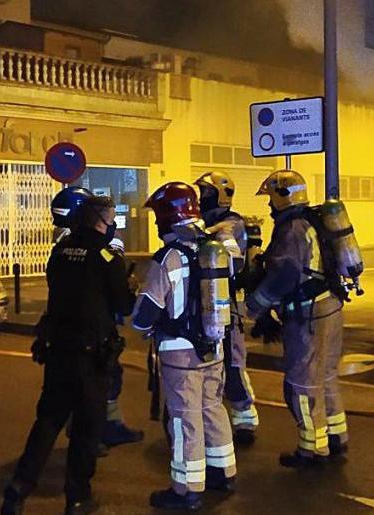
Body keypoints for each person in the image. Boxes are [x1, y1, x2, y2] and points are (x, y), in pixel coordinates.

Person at [2, 195, 134, 515]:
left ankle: (18, 489)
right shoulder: (106, 256)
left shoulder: (61, 250)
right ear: (99, 221)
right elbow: (124, 306)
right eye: (111, 218)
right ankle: (78, 497)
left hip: (58, 349)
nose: (113, 224)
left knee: (47, 422)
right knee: (88, 430)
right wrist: (127, 285)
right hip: (91, 356)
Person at [133, 182, 236, 510]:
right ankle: (223, 471)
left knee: (184, 418)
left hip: (180, 354)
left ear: (166, 217)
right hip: (214, 346)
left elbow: (144, 314)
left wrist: (141, 324)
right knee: (212, 408)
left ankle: (186, 490)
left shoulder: (169, 258)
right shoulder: (214, 248)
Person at [243, 170, 349, 468]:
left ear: (282, 195)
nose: (269, 206)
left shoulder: (291, 229)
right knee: (326, 376)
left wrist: (255, 304)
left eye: (271, 198)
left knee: (301, 384)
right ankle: (336, 437)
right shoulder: (313, 220)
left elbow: (286, 274)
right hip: (330, 306)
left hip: (307, 315)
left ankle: (312, 450)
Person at [49, 185, 144, 452]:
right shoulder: (85, 246)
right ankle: (87, 436)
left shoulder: (65, 245)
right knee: (88, 382)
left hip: (84, 324)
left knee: (110, 375)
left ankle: (107, 427)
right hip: (89, 327)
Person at [194, 171, 259, 446]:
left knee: (233, 362)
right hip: (204, 301)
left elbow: (232, 258)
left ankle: (245, 417)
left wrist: (202, 236)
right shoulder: (207, 222)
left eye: (206, 193)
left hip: (225, 304)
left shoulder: (230, 225)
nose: (201, 199)